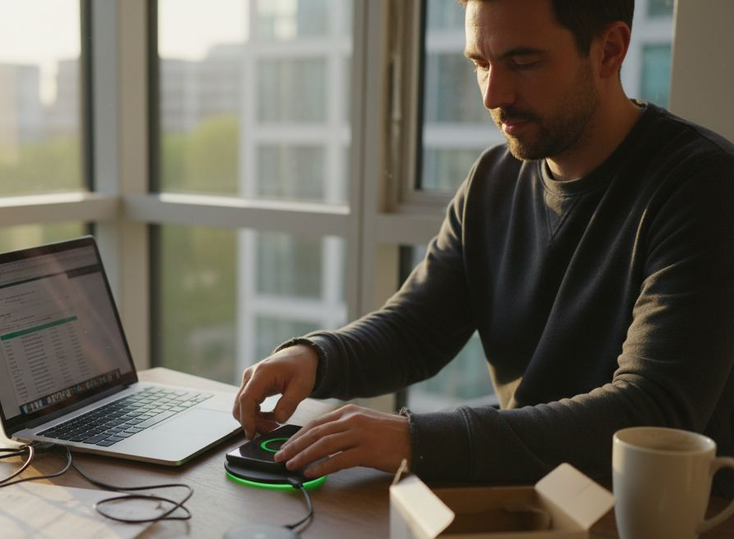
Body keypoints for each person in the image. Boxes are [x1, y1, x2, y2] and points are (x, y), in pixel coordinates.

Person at [233, 0, 734, 496]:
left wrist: (417, 438)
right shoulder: (493, 179)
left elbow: (651, 411)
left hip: (668, 532)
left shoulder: (704, 185)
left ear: (610, 50)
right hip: (529, 504)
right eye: (480, 63)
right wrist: (315, 357)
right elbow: (416, 331)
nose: (494, 94)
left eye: (523, 62)